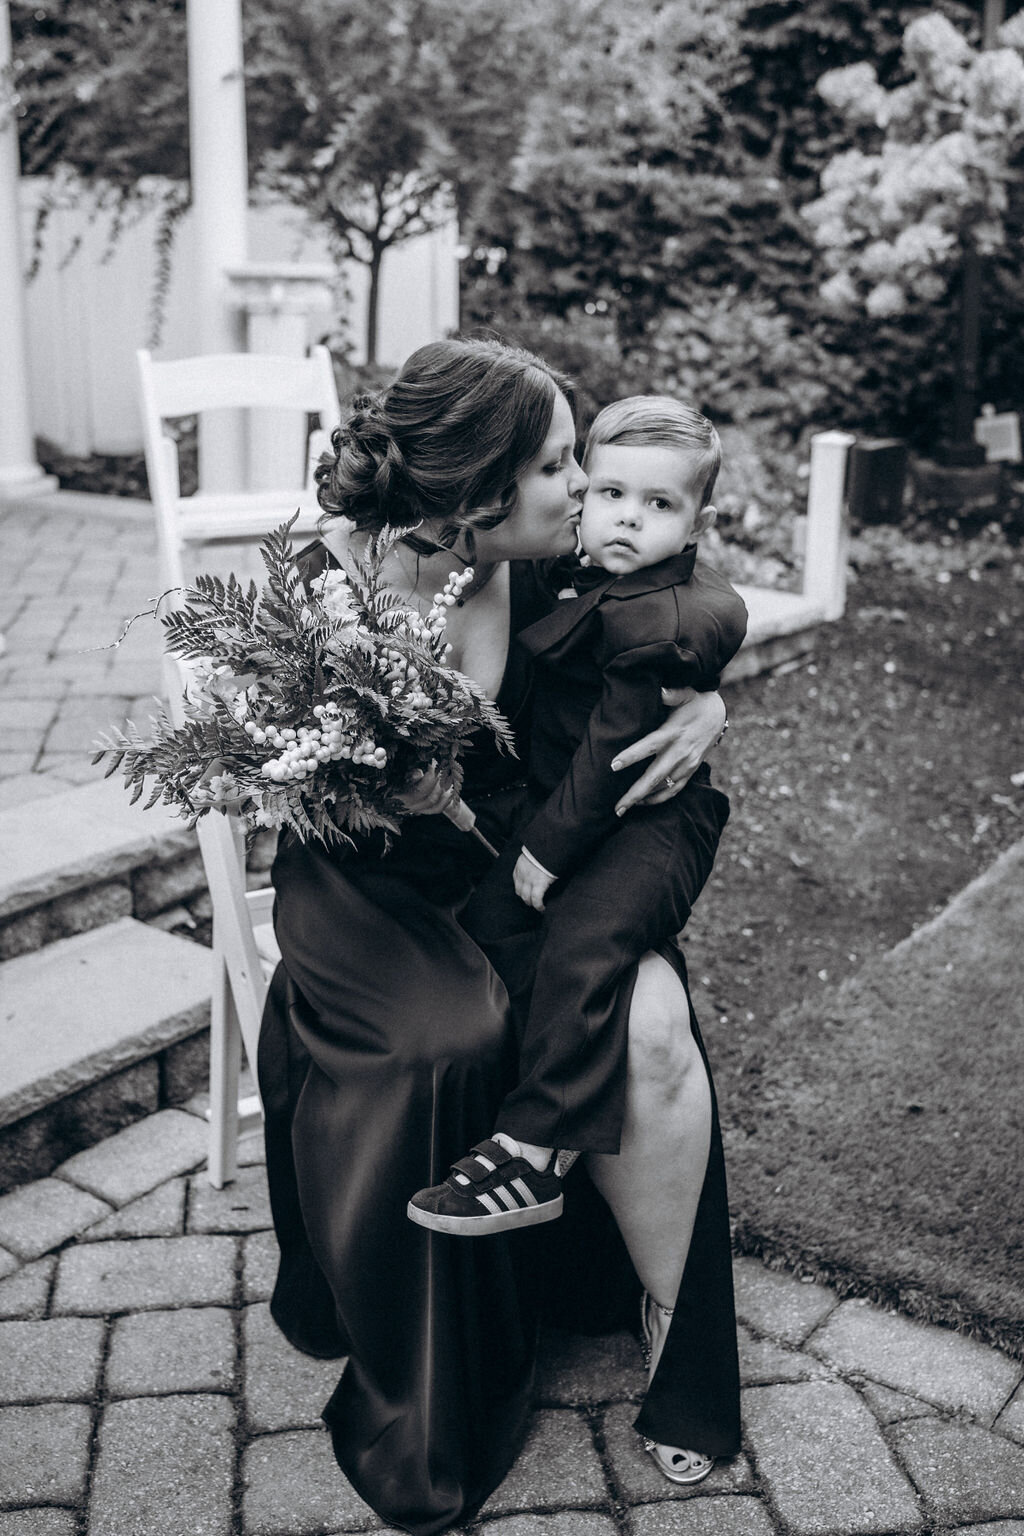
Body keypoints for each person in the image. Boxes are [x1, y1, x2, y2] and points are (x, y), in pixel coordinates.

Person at [258, 337, 740, 1535]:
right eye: (558, 465)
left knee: (652, 1019)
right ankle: (432, 1366)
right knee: (452, 1041)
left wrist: (710, 701)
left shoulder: (552, 560)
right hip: (362, 887)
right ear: (477, 490)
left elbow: (678, 601)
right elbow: (267, 774)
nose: (583, 488)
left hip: (514, 862)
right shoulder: (321, 582)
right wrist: (362, 775)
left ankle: (677, 1333)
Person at [408, 395, 746, 1249]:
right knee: (494, 925)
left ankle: (536, 1148)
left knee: (586, 945)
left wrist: (546, 849)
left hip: (644, 823)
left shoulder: (664, 615)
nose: (627, 517)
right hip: (565, 811)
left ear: (697, 525)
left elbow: (609, 750)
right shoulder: (556, 566)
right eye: (610, 493)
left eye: (659, 504)